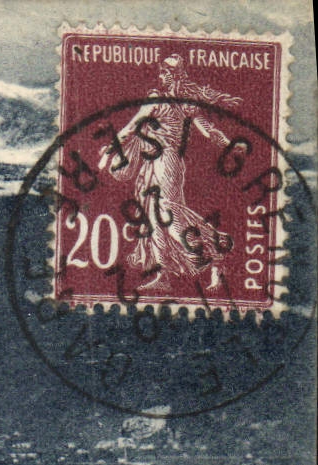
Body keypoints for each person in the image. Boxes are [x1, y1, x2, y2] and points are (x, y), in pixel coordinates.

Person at [98, 55, 242, 292]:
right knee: (153, 219)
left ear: (175, 76)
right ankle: (163, 273)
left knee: (168, 213)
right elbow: (207, 130)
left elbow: (131, 129)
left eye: (165, 73)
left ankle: (216, 251)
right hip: (152, 165)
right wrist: (228, 144)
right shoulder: (181, 102)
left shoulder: (165, 101)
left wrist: (228, 144)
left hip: (166, 162)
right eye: (161, 72)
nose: (161, 76)